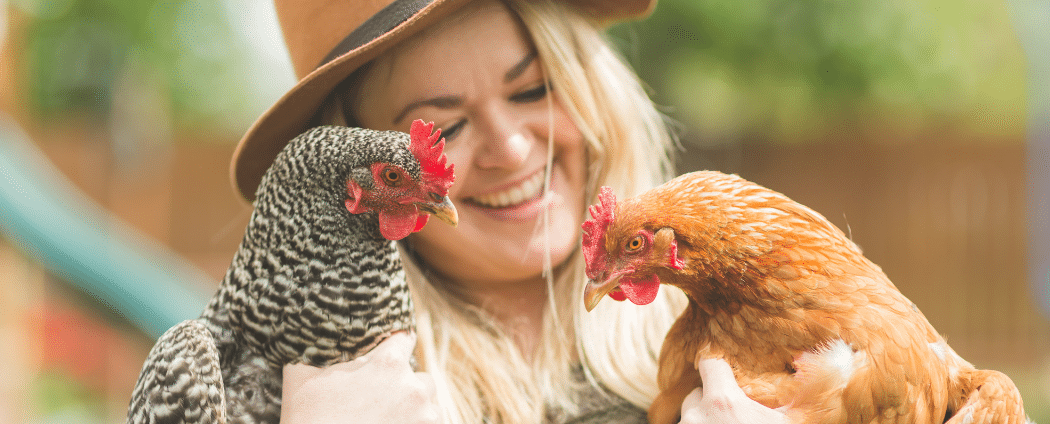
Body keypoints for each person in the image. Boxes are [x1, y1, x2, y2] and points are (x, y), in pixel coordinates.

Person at [230, 0, 790, 422]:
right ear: (355, 189)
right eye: (445, 129)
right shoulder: (291, 396)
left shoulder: (759, 337)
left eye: (531, 90)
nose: (513, 151)